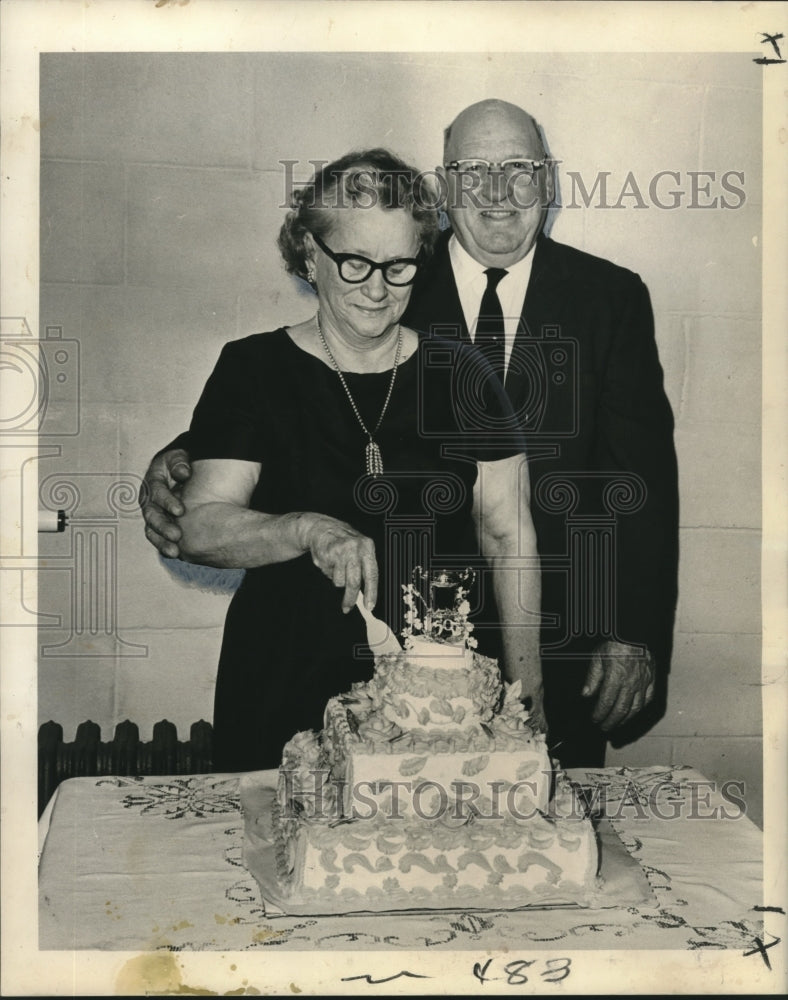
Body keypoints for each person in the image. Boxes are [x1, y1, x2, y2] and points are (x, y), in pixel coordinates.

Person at [143, 101, 679, 767]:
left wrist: (624, 637)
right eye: (474, 172)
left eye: (518, 171)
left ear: (547, 179)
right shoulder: (385, 273)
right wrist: (184, 455)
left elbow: (642, 479)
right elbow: (281, 411)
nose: (499, 195)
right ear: (445, 186)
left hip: (516, 650)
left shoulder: (608, 299)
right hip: (300, 661)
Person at [159, 148, 542, 770]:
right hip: (283, 683)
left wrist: (528, 698)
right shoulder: (255, 370)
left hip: (439, 698)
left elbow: (510, 539)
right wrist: (304, 529)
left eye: (398, 266)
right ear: (310, 254)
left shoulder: (464, 374)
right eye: (355, 261)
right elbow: (197, 525)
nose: (376, 288)